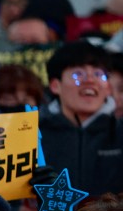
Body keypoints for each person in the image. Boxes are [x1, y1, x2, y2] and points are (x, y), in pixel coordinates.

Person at [39, 41, 123, 197]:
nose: (90, 80)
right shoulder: (32, 135)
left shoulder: (119, 133)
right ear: (55, 85)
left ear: (108, 88)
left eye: (99, 75)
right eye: (78, 74)